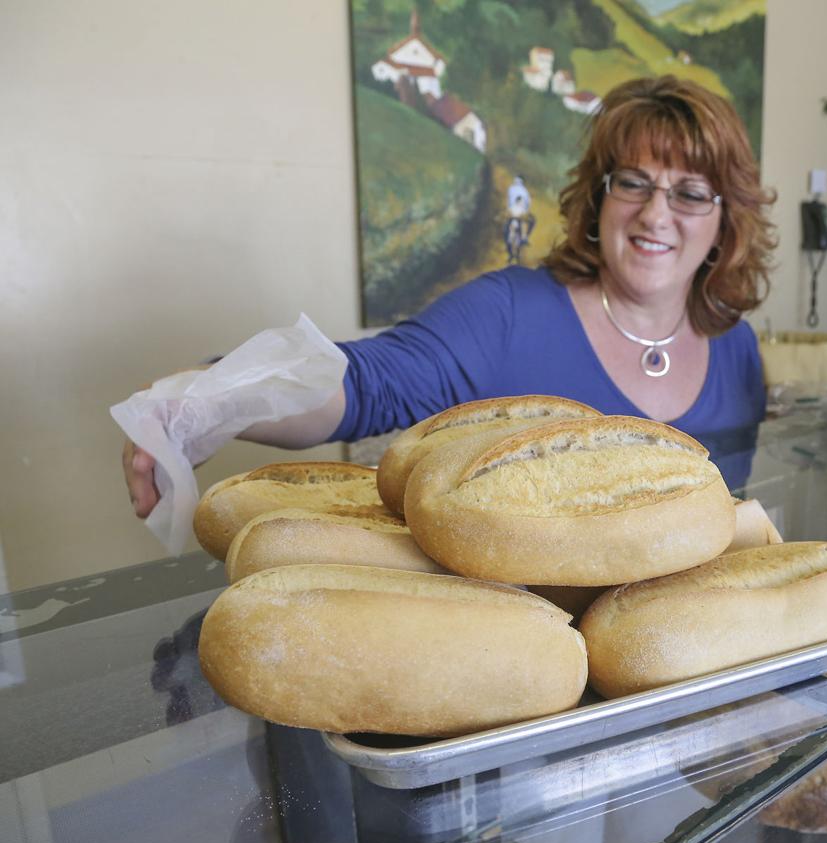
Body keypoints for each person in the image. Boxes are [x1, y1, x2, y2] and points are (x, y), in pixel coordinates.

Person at [124, 75, 777, 516]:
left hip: (688, 671)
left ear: (726, 219)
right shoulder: (509, 315)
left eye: (691, 192)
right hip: (527, 672)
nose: (656, 215)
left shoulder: (735, 344)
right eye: (632, 182)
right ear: (600, 198)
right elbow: (362, 385)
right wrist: (208, 396)